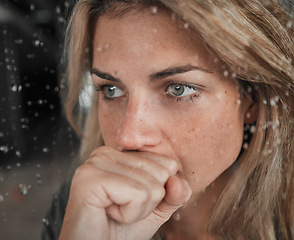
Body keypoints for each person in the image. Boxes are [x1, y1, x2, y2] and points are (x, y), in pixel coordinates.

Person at [42, 0, 294, 239]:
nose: (128, 136)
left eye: (178, 89)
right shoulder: (83, 210)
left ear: (253, 98)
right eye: (111, 90)